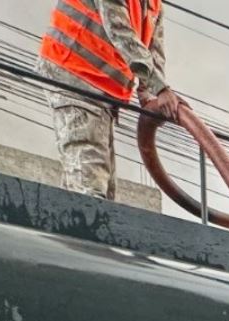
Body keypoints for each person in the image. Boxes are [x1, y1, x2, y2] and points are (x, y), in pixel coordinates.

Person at [38, 0, 172, 200]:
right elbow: (119, 30)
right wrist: (159, 87)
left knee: (103, 191)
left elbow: (155, 52)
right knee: (89, 188)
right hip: (74, 78)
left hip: (103, 94)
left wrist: (150, 93)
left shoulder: (154, 5)